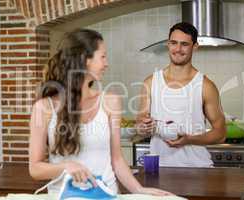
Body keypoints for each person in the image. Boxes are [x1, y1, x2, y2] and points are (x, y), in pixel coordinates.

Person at [29, 28, 172, 196]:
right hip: (64, 196)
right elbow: (35, 168)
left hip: (106, 195)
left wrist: (139, 190)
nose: (106, 63)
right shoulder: (44, 108)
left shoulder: (110, 102)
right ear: (84, 59)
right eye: (102, 56)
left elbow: (117, 159)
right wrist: (66, 166)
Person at [136, 22, 226, 168]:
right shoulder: (151, 82)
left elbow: (220, 134)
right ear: (168, 44)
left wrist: (189, 140)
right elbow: (140, 125)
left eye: (184, 44)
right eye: (173, 43)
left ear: (195, 46)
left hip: (197, 168)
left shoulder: (205, 86)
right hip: (160, 168)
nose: (177, 49)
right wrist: (143, 127)